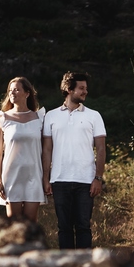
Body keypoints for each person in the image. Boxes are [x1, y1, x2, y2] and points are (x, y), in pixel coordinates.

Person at [42, 71, 106, 249]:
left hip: (86, 181)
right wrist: (45, 178)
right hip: (59, 180)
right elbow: (47, 150)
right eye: (81, 88)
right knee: (64, 228)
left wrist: (98, 178)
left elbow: (101, 148)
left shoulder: (94, 116)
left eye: (86, 88)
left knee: (83, 227)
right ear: (69, 90)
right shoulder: (51, 116)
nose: (85, 91)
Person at [0, 76, 46, 222]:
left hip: (33, 176)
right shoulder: (2, 118)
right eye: (10, 90)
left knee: (30, 225)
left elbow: (46, 150)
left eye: (16, 89)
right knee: (14, 225)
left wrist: (46, 178)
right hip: (11, 177)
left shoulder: (39, 118)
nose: (12, 93)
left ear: (27, 93)